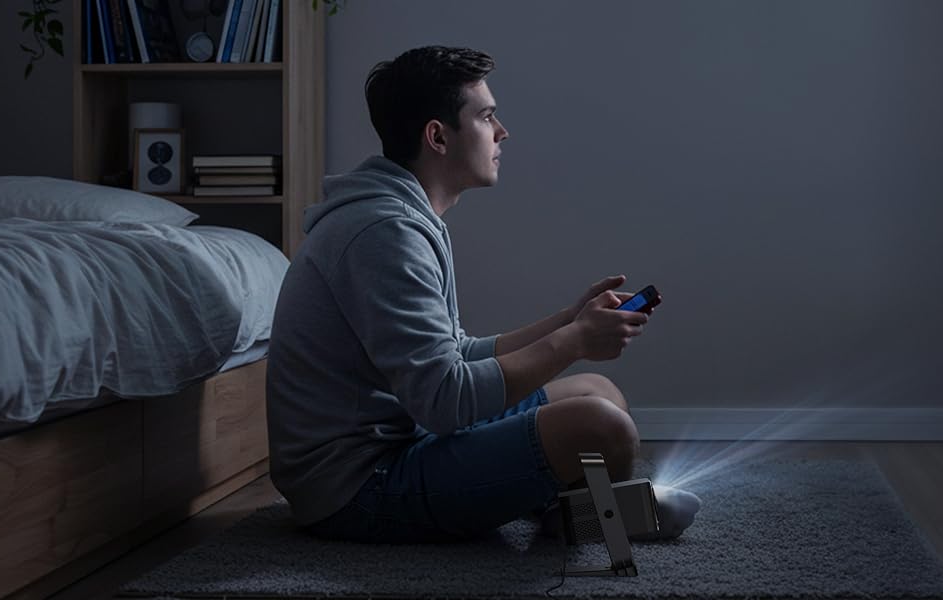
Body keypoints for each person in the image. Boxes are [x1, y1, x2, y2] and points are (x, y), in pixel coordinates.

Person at [265, 45, 699, 544]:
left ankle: (567, 513)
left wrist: (567, 321)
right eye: (487, 116)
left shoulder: (401, 214)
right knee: (604, 428)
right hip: (358, 488)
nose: (502, 131)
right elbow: (445, 401)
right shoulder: (384, 232)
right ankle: (580, 513)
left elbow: (451, 354)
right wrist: (575, 341)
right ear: (438, 136)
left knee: (601, 394)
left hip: (406, 438)